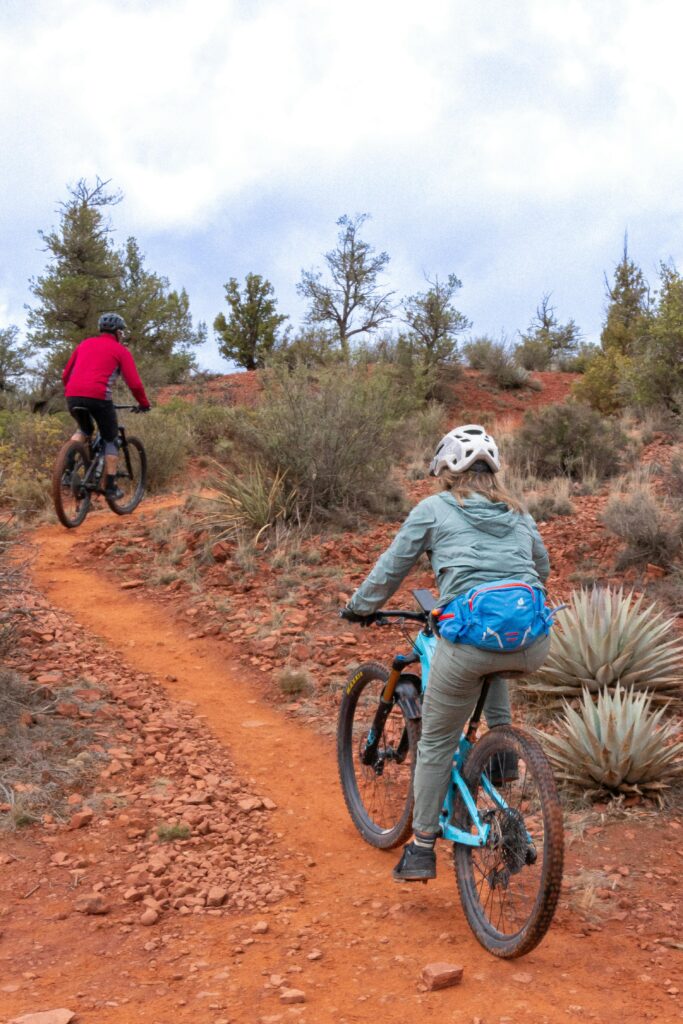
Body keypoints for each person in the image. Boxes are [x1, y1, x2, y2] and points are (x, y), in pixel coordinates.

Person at [341, 423, 551, 882]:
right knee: (493, 657)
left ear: (447, 468)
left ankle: (420, 847)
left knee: (436, 739)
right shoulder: (519, 511)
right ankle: (501, 755)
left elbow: (393, 567)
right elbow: (542, 568)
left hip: (470, 640)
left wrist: (360, 608)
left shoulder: (434, 508)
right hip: (533, 644)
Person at [62, 313, 151, 499]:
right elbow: (134, 384)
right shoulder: (120, 351)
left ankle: (67, 470)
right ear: (119, 332)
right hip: (98, 398)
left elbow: (65, 375)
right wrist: (143, 403)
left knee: (85, 430)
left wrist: (76, 392)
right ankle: (110, 487)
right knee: (110, 439)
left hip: (72, 395)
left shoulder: (84, 344)